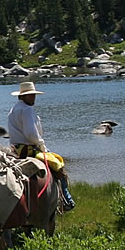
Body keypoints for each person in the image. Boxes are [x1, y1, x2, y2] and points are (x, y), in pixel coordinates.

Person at [7, 81, 75, 210]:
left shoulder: (14, 109)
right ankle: (66, 201)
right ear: (22, 96)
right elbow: (31, 134)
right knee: (59, 167)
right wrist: (42, 145)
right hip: (30, 150)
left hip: (15, 149)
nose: (33, 98)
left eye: (33, 95)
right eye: (30, 95)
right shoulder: (27, 110)